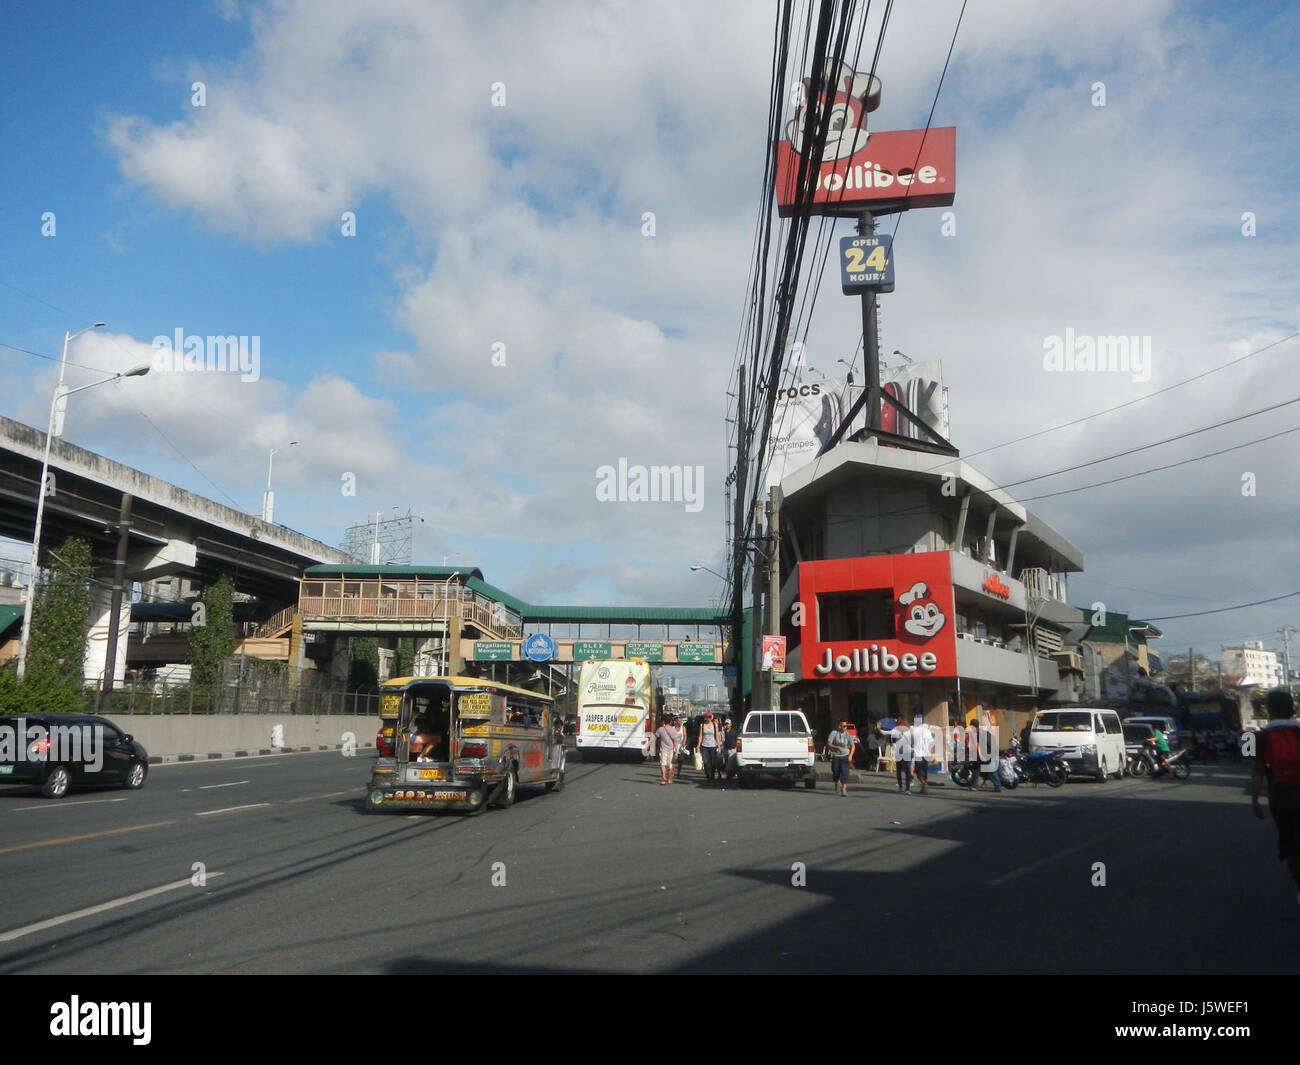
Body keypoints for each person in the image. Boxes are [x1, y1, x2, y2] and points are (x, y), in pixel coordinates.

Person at [1251, 690, 1300, 905]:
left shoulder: (1255, 736)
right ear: (1293, 710)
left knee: (1292, 849)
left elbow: (1257, 770)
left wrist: (1254, 800)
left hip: (1281, 800)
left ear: (1268, 710)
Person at [881, 717, 913, 793]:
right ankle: (908, 789)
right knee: (907, 771)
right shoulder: (909, 730)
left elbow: (885, 733)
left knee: (899, 770)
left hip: (899, 752)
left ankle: (900, 787)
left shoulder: (896, 730)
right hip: (908, 751)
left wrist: (879, 729)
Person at [826, 720, 854, 796]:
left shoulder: (848, 735)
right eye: (844, 726)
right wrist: (836, 747)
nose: (845, 728)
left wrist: (850, 755)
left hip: (845, 756)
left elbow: (852, 746)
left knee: (845, 773)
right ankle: (837, 784)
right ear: (839, 726)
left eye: (846, 726)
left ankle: (844, 790)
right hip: (836, 756)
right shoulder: (834, 733)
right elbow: (829, 744)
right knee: (836, 772)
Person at [911, 715, 935, 794]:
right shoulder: (927, 731)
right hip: (926, 755)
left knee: (918, 773)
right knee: (924, 772)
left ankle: (924, 784)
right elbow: (931, 744)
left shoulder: (913, 731)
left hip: (918, 755)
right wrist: (931, 754)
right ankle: (923, 788)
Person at [656, 714, 683, 785]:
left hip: (663, 749)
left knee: (662, 764)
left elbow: (656, 737)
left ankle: (663, 778)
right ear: (671, 722)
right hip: (671, 750)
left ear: (663, 721)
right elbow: (675, 742)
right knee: (670, 765)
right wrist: (676, 752)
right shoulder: (673, 730)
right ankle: (669, 779)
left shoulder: (660, 729)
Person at [698, 712, 722, 782]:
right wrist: (698, 746)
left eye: (709, 717)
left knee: (713, 762)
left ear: (711, 717)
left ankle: (712, 775)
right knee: (706, 762)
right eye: (707, 717)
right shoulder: (702, 725)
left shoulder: (715, 725)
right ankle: (708, 774)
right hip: (704, 745)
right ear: (705, 717)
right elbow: (700, 736)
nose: (708, 718)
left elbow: (717, 736)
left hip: (713, 745)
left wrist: (719, 746)